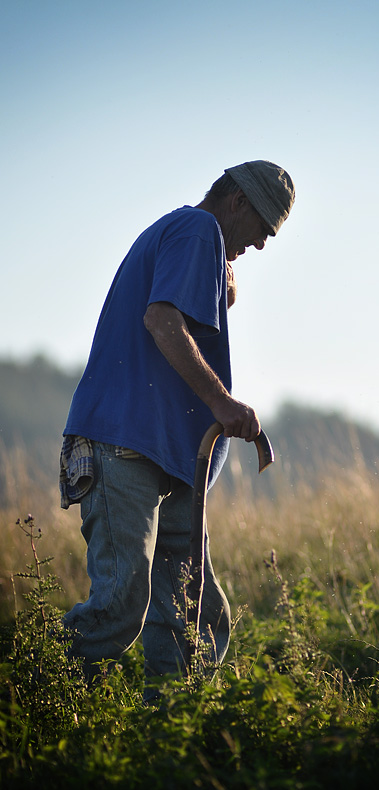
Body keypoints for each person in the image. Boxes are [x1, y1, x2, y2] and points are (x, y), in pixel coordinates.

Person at [59, 160, 295, 694]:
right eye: (263, 226)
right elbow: (162, 320)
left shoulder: (195, 239)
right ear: (236, 202)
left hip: (169, 457)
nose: (260, 245)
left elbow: (179, 320)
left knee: (195, 611)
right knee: (121, 607)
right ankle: (28, 686)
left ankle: (173, 741)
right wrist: (224, 403)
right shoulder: (198, 229)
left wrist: (221, 292)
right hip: (125, 445)